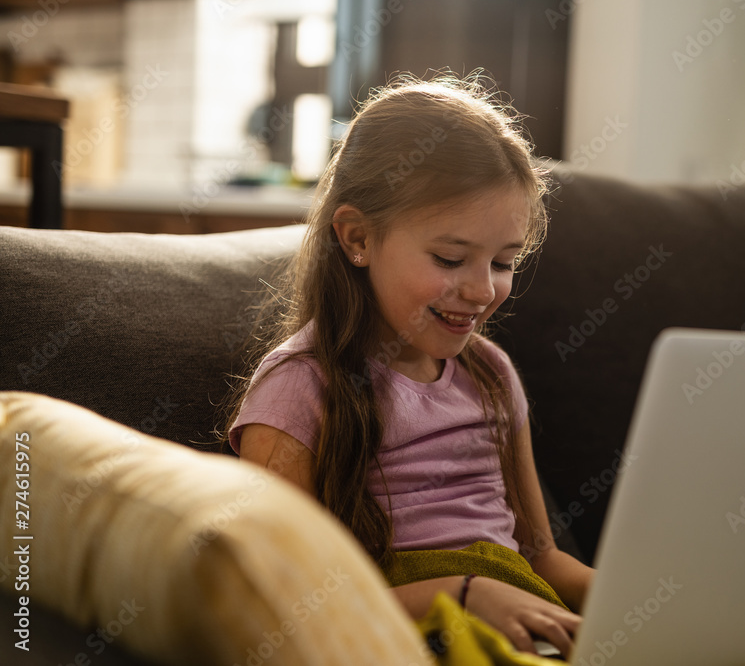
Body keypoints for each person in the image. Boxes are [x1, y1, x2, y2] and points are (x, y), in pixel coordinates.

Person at [226, 73, 594, 656]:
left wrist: (634, 595)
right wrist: (463, 595)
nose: (482, 290)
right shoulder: (299, 387)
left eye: (503, 262)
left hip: (520, 624)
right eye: (450, 258)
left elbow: (541, 556)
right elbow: (284, 600)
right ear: (357, 238)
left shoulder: (491, 374)